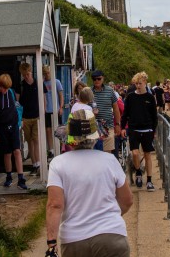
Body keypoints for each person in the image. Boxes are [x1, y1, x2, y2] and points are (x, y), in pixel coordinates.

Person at [46, 109, 133, 257]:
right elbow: (127, 200)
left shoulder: (58, 164)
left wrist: (51, 243)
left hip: (75, 241)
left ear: (70, 138)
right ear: (96, 136)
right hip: (112, 237)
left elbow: (55, 205)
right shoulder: (110, 161)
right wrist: (109, 216)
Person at [0, 74, 27, 189]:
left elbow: (16, 107)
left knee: (17, 150)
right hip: (2, 128)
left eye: (7, 88)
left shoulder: (10, 93)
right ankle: (9, 176)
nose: (5, 90)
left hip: (14, 126)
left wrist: (19, 121)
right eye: (3, 88)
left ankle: (21, 178)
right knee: (7, 153)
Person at [121, 72, 158, 191]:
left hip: (147, 129)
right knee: (135, 153)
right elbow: (125, 114)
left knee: (147, 155)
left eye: (140, 83)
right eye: (136, 83)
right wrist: (122, 128)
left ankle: (149, 181)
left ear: (145, 83)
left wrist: (154, 130)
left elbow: (154, 116)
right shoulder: (130, 97)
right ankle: (138, 172)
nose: (138, 85)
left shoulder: (150, 97)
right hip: (134, 129)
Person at [91, 70, 122, 158]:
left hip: (108, 127)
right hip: (93, 129)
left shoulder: (110, 91)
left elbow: (116, 108)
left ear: (103, 78)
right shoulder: (89, 92)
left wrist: (118, 124)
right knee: (96, 156)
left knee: (107, 155)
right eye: (94, 79)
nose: (96, 81)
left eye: (98, 79)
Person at [18, 62, 41, 175]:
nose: (26, 76)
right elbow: (18, 103)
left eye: (28, 74)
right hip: (25, 117)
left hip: (36, 116)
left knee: (36, 140)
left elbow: (43, 98)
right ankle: (34, 164)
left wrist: (43, 112)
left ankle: (39, 164)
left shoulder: (38, 83)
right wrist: (20, 118)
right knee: (30, 141)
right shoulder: (21, 85)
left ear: (30, 72)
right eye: (24, 74)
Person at [44, 65, 65, 160]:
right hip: (47, 110)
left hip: (56, 109)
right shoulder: (43, 83)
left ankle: (61, 148)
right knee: (48, 130)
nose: (46, 75)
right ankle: (51, 150)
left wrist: (61, 107)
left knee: (59, 129)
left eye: (48, 73)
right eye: (45, 73)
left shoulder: (56, 82)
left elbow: (61, 95)